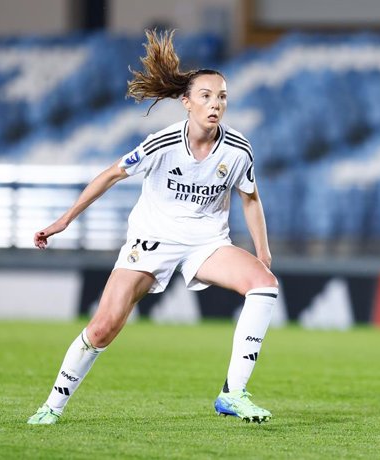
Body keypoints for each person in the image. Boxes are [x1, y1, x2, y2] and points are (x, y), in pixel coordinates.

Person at [27, 29, 278, 425]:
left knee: (264, 285)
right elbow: (111, 175)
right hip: (153, 238)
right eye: (206, 96)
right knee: (105, 326)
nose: (215, 105)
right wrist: (65, 219)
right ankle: (51, 407)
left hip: (205, 242)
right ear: (187, 102)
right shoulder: (161, 144)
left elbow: (250, 197)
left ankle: (234, 393)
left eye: (222, 97)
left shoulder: (238, 149)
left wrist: (263, 253)